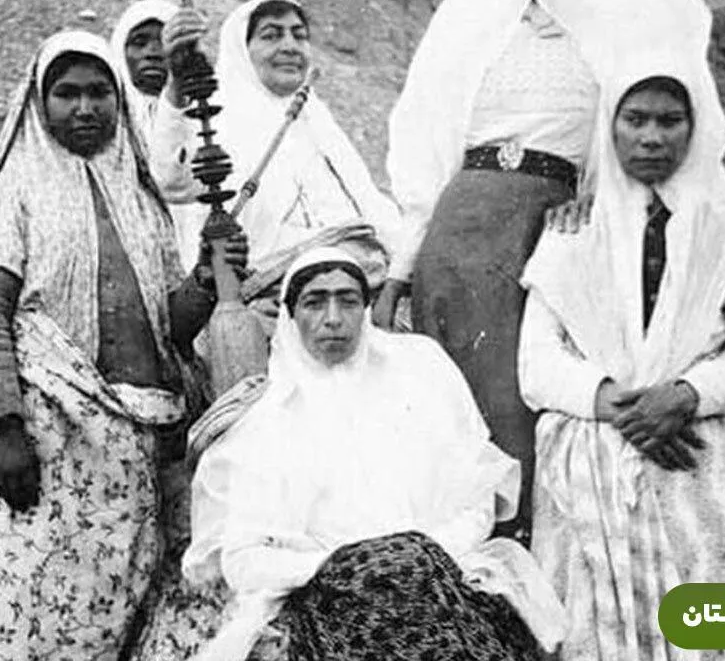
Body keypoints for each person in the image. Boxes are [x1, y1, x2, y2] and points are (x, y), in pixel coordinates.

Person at [374, 0, 711, 541]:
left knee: (527, 393)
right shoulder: (469, 28)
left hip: (551, 228)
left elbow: (641, 131)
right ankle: (467, 557)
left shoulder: (611, 29)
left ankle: (536, 550)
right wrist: (398, 272)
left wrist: (598, 200)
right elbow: (425, 152)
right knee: (451, 399)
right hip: (459, 232)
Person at [0, 30, 246, 661]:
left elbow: (168, 327)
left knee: (129, 612)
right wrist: (7, 431)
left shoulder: (142, 197)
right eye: (67, 93)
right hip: (47, 439)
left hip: (138, 447)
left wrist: (207, 274)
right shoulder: (15, 192)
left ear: (119, 99)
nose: (84, 108)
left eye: (98, 93)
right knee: (37, 613)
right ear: (39, 103)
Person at [165, 246, 567, 661]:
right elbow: (242, 561)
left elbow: (476, 503)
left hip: (435, 570)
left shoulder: (421, 374)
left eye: (348, 301)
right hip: (327, 590)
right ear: (290, 316)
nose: (333, 318)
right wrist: (344, 564)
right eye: (315, 302)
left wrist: (415, 553)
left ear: (366, 309)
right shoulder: (265, 424)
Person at [519, 58, 725, 660]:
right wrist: (622, 406)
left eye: (670, 121)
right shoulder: (570, 230)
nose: (651, 137)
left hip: (697, 446)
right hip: (596, 443)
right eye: (635, 119)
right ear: (609, 127)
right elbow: (536, 364)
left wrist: (685, 396)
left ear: (696, 129)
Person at [152, 0, 403, 306]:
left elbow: (371, 205)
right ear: (242, 50)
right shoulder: (212, 117)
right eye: (271, 35)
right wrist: (176, 88)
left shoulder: (316, 119)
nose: (290, 47)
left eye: (299, 35)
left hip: (357, 288)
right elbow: (171, 181)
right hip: (267, 302)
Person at [109, 0, 179, 150]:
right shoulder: (105, 119)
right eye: (139, 43)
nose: (153, 53)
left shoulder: (205, 118)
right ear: (120, 50)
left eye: (166, 42)